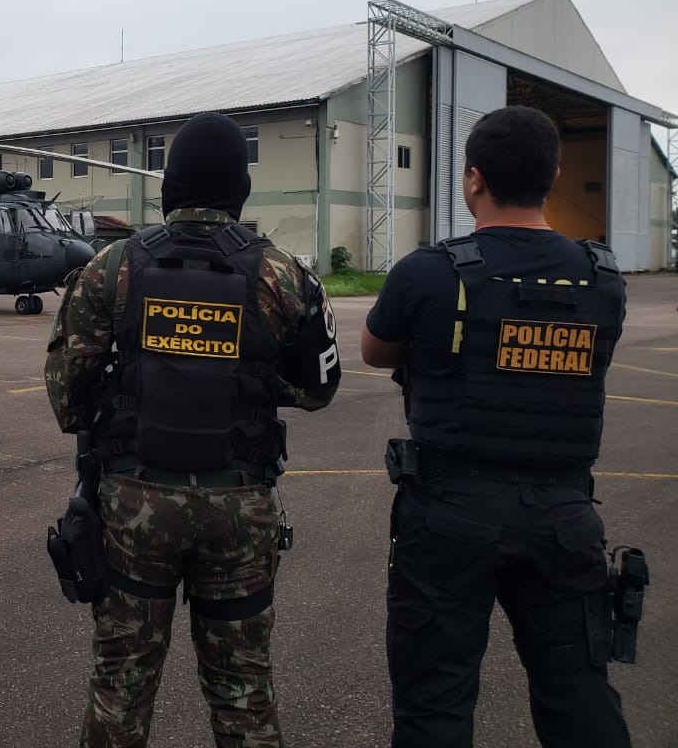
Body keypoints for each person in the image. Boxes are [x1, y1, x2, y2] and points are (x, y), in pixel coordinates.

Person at [45, 112, 341, 747]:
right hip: (240, 506)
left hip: (134, 505)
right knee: (244, 691)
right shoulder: (285, 274)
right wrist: (250, 379)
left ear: (168, 186)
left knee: (120, 687)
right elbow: (319, 388)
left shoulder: (110, 268)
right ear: (240, 190)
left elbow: (66, 398)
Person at [361, 105, 630, 748]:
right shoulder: (604, 278)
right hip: (564, 514)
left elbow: (375, 351)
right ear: (555, 174)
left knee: (435, 701)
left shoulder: (430, 270)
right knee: (578, 690)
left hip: (450, 512)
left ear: (472, 179)